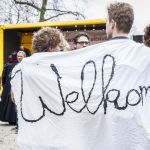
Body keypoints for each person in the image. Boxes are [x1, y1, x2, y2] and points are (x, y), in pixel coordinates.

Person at [0, 51, 18, 125]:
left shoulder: (7, 65)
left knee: (7, 102)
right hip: (16, 85)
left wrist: (4, 86)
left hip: (8, 86)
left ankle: (8, 118)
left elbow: (3, 77)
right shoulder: (19, 65)